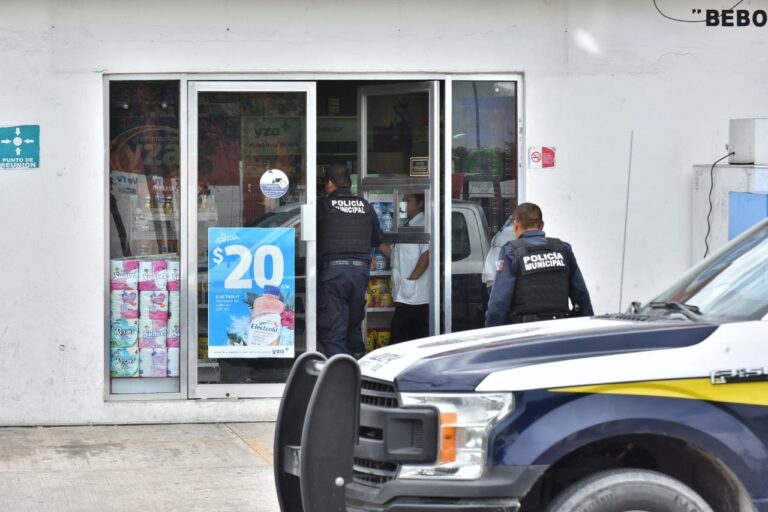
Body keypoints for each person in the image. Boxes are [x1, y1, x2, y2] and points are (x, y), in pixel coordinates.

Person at [317, 163, 386, 359]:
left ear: (330, 184)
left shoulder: (323, 206)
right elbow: (376, 240)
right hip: (359, 274)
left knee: (333, 331)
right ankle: (359, 364)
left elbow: (312, 238)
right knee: (352, 325)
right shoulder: (365, 206)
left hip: (334, 275)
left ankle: (341, 373)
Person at [485, 202, 593, 326]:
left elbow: (499, 301)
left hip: (525, 331)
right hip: (560, 329)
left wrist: (491, 330)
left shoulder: (511, 252)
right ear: (542, 225)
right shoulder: (563, 249)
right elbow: (581, 296)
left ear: (515, 225)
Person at [387, 193, 430, 344]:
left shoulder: (424, 224)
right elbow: (394, 254)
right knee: (406, 338)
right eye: (404, 200)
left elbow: (427, 255)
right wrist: (376, 240)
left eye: (409, 200)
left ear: (420, 203)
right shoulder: (405, 226)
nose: (404, 203)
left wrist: (410, 282)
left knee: (398, 338)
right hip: (404, 294)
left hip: (416, 296)